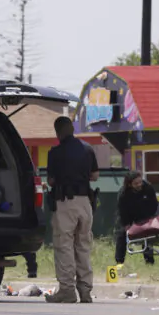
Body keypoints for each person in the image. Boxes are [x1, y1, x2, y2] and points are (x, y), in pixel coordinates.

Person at [45, 116, 99, 304]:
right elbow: (95, 176)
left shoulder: (55, 153)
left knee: (64, 245)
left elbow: (51, 181)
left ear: (58, 132)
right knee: (83, 245)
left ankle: (67, 290)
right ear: (72, 129)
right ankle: (85, 291)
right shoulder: (87, 149)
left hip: (65, 202)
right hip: (85, 202)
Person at [114, 170, 158, 265]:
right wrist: (127, 225)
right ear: (130, 184)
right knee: (121, 234)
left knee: (147, 233)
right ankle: (119, 262)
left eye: (140, 182)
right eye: (136, 183)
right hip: (128, 217)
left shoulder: (148, 188)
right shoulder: (123, 194)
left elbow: (154, 205)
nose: (139, 185)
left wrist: (147, 219)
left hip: (145, 215)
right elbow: (122, 211)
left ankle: (149, 261)